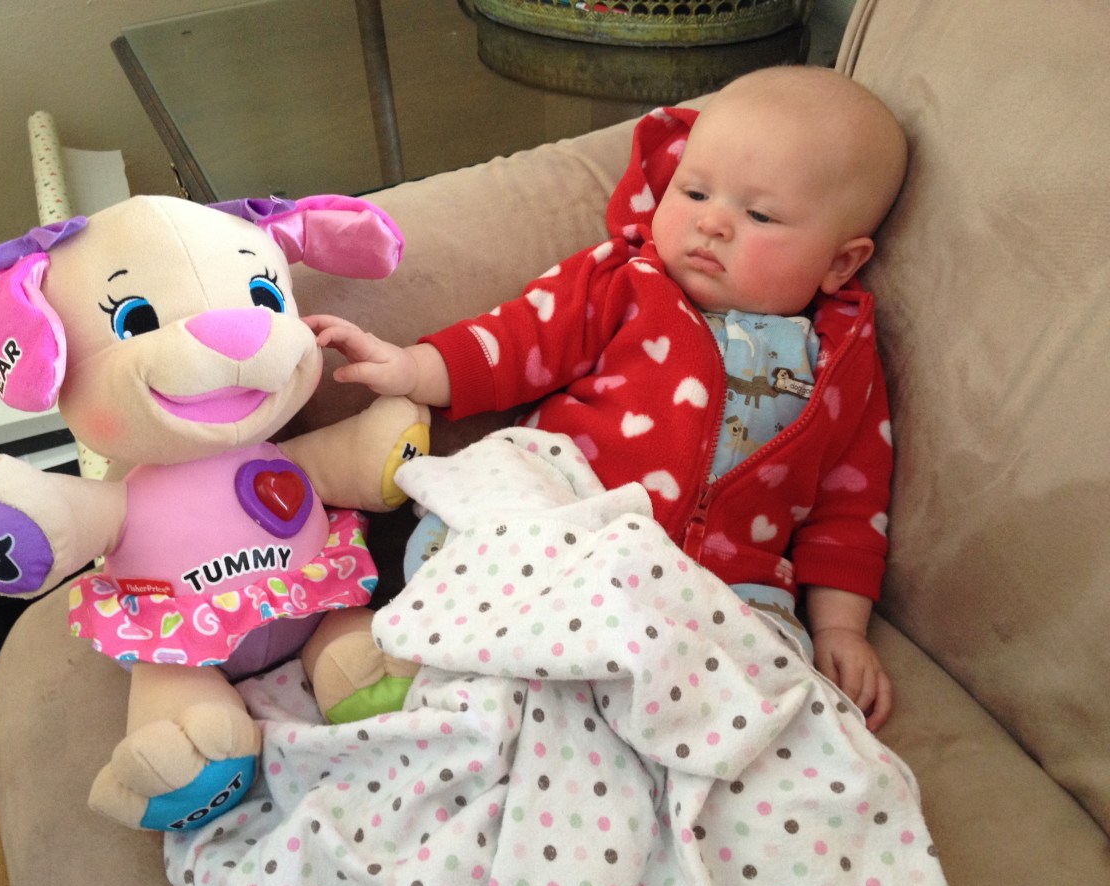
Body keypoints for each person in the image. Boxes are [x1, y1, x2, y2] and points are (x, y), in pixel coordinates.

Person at [308, 66, 908, 731]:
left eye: (759, 214)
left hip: (724, 588)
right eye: (694, 190)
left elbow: (851, 508)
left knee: (753, 703)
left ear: (841, 263)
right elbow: (517, 340)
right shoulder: (625, 283)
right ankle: (427, 667)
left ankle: (569, 735)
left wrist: (841, 628)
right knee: (488, 542)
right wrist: (410, 367)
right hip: (565, 520)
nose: (711, 222)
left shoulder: (838, 363)